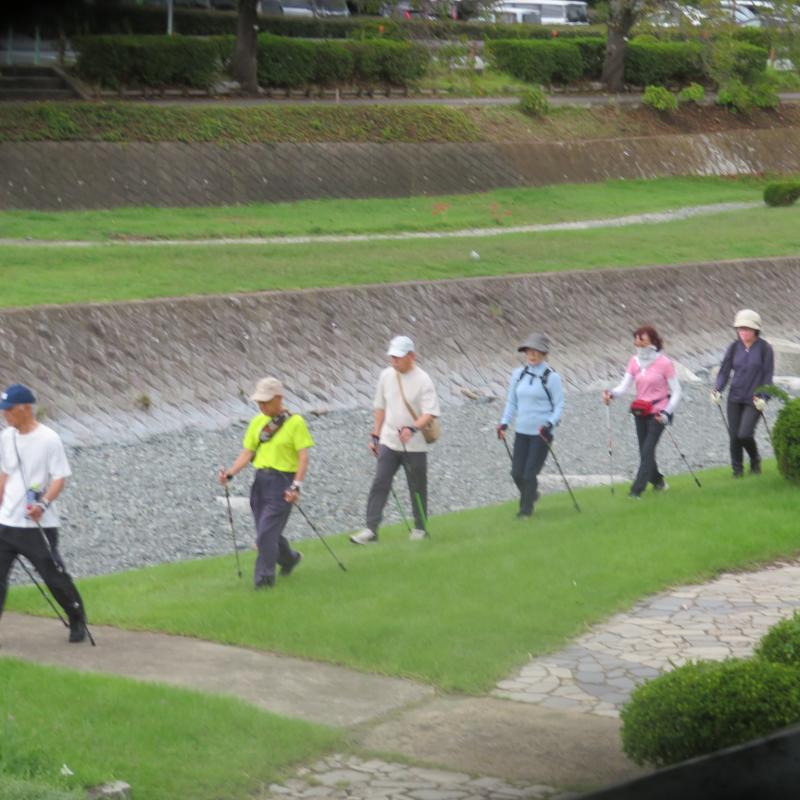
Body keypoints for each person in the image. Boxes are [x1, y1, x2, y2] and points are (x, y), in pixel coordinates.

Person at [0, 384, 89, 643]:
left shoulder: (49, 439)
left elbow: (60, 477)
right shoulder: (6, 437)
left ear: (25, 408)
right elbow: (5, 473)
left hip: (38, 525)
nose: (5, 415)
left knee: (53, 576)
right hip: (6, 523)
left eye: (8, 410)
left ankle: (76, 619)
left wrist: (44, 504)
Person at [218, 377, 312, 588]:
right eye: (259, 402)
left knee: (265, 534)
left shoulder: (295, 423)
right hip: (260, 482)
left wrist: (296, 486)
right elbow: (247, 452)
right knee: (267, 531)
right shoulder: (257, 422)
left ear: (279, 398)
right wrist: (230, 474)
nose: (262, 405)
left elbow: (303, 458)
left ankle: (264, 579)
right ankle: (290, 558)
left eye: (266, 401)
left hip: (283, 482)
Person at [350, 335, 441, 545]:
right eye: (392, 357)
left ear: (411, 356)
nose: (394, 362)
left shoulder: (423, 379)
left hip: (415, 446)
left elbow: (431, 413)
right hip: (389, 441)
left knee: (417, 487)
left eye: (398, 358)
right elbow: (380, 406)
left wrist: (412, 428)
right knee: (380, 482)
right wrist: (376, 434)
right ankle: (371, 529)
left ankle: (420, 527)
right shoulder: (386, 376)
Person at [603, 326, 682, 499]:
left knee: (647, 451)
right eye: (636, 339)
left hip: (659, 413)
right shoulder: (634, 361)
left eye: (642, 340)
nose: (638, 343)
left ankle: (636, 490)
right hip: (640, 412)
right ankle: (659, 482)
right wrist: (612, 394)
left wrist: (667, 413)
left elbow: (677, 391)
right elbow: (624, 386)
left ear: (652, 341)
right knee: (645, 451)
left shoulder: (664, 363)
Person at [497, 333, 565, 518]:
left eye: (536, 352)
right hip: (521, 431)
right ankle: (532, 493)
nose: (532, 355)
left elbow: (559, 405)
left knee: (529, 474)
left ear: (544, 353)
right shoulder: (518, 375)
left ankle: (525, 511)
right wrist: (504, 423)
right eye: (529, 351)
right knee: (516, 473)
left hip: (541, 433)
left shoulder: (551, 377)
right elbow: (512, 402)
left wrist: (549, 424)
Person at [711, 309, 774, 478]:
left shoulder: (765, 349)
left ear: (755, 330)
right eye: (740, 329)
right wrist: (717, 389)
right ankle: (737, 471)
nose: (743, 332)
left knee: (745, 434)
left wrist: (765, 397)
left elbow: (768, 376)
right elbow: (724, 371)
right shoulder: (734, 347)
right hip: (735, 397)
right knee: (734, 436)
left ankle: (755, 459)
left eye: (747, 328)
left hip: (754, 399)